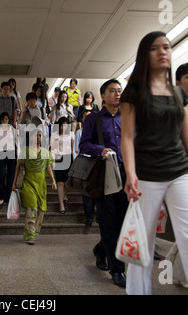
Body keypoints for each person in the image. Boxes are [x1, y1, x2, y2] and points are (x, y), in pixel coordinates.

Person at [120, 31, 188, 295]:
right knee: (142, 243)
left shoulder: (176, 93)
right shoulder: (134, 92)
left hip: (181, 173)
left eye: (167, 47)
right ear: (145, 55)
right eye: (155, 48)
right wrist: (130, 174)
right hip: (146, 175)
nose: (163, 51)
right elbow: (126, 137)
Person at [79, 79, 128, 288]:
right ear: (103, 96)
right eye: (112, 91)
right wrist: (101, 149)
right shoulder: (94, 119)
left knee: (123, 222)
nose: (117, 94)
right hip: (105, 174)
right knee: (108, 221)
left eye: (119, 90)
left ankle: (100, 250)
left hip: (126, 173)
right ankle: (117, 269)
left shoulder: (128, 117)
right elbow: (84, 145)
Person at [12, 130, 56, 245]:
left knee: (40, 211)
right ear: (30, 138)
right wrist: (14, 183)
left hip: (41, 185)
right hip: (27, 184)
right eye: (35, 136)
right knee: (32, 209)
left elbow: (48, 168)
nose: (37, 138)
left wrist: (53, 181)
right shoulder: (25, 151)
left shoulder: (45, 152)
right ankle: (30, 235)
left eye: (40, 135)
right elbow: (18, 168)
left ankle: (32, 232)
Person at [0, 112, 19, 208]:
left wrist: (18, 157)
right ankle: (2, 197)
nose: (5, 121)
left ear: (9, 120)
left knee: (11, 175)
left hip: (11, 153)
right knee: (1, 174)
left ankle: (7, 196)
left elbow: (17, 144)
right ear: (0, 121)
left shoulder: (13, 130)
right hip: (0, 153)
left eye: (6, 119)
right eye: (3, 119)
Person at [73, 109, 95, 227]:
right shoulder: (79, 133)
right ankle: (89, 217)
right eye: (85, 117)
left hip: (95, 164)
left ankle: (94, 213)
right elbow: (75, 150)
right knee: (85, 193)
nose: (87, 119)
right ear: (82, 119)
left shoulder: (96, 132)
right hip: (84, 164)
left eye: (89, 116)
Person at [50, 116, 74, 214]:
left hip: (69, 157)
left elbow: (74, 147)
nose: (63, 127)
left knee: (68, 182)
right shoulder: (55, 135)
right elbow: (51, 148)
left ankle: (65, 194)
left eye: (65, 125)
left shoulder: (71, 134)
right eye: (61, 125)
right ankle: (61, 205)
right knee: (60, 182)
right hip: (58, 158)